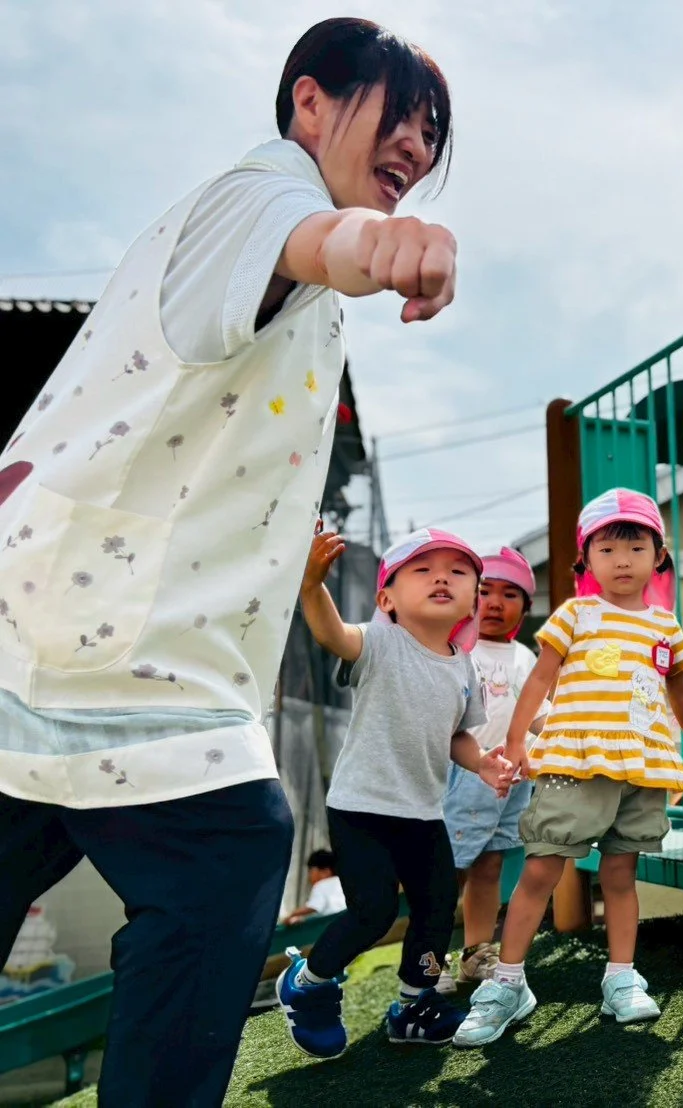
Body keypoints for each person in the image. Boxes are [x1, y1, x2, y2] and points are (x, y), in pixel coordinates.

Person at [0, 17, 456, 1105]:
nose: (421, 148)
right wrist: (376, 245)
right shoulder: (264, 195)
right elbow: (316, 243)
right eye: (403, 114)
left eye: (435, 133)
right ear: (311, 102)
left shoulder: (237, 221)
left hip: (51, 627)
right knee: (227, 845)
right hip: (108, 635)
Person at [453, 489, 683, 1047]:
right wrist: (519, 738)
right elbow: (540, 679)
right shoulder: (576, 614)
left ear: (658, 556)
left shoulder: (665, 626)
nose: (623, 559)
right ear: (586, 560)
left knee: (620, 874)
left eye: (636, 546)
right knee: (542, 867)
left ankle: (621, 977)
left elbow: (682, 694)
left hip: (641, 766)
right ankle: (507, 983)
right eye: (608, 547)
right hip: (576, 757)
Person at [277, 527, 505, 1058]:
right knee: (373, 911)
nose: (442, 577)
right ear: (387, 599)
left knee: (435, 905)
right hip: (362, 809)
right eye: (422, 570)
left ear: (474, 597)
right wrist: (312, 584)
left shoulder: (462, 666)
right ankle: (308, 983)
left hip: (423, 813)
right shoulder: (380, 642)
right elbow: (333, 634)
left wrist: (483, 765)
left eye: (458, 571)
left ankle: (413, 1003)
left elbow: (456, 735)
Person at [440, 547, 548, 988]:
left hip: (511, 781)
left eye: (511, 594)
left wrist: (554, 737)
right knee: (446, 869)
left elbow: (540, 715)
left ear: (525, 607)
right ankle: (425, 958)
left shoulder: (526, 659)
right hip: (461, 774)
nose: (496, 603)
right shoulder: (453, 647)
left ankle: (475, 954)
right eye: (486, 591)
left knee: (489, 866)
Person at [283, 849, 347, 925]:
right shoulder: (343, 883)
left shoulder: (321, 885)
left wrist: (292, 915)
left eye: (311, 871)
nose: (309, 877)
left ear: (326, 871)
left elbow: (314, 907)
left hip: (331, 924)